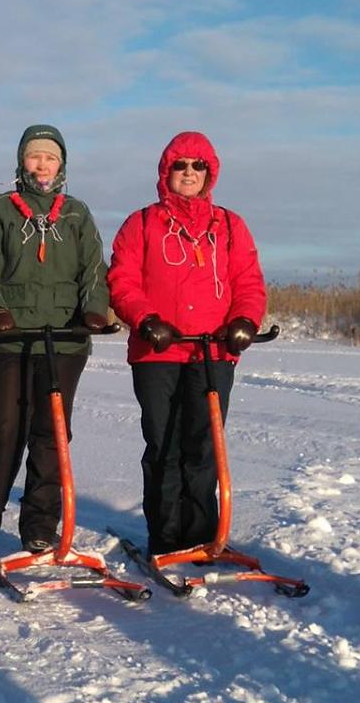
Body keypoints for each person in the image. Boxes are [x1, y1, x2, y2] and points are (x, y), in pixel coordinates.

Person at [106, 131, 265, 555]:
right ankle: (166, 536)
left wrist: (245, 321)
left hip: (213, 350)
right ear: (166, 172)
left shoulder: (230, 225)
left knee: (203, 443)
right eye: (181, 166)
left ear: (210, 173)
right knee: (165, 443)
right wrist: (146, 319)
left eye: (198, 166)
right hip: (158, 352)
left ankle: (201, 533)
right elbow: (122, 281)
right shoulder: (142, 223)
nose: (189, 173)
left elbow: (248, 282)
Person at [0, 124, 111, 558]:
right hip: (11, 337)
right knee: (5, 429)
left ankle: (40, 525)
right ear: (21, 161)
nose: (42, 165)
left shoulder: (77, 213)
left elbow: (93, 270)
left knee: (50, 434)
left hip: (64, 340)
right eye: (34, 156)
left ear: (61, 164)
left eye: (50, 158)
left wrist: (93, 309)